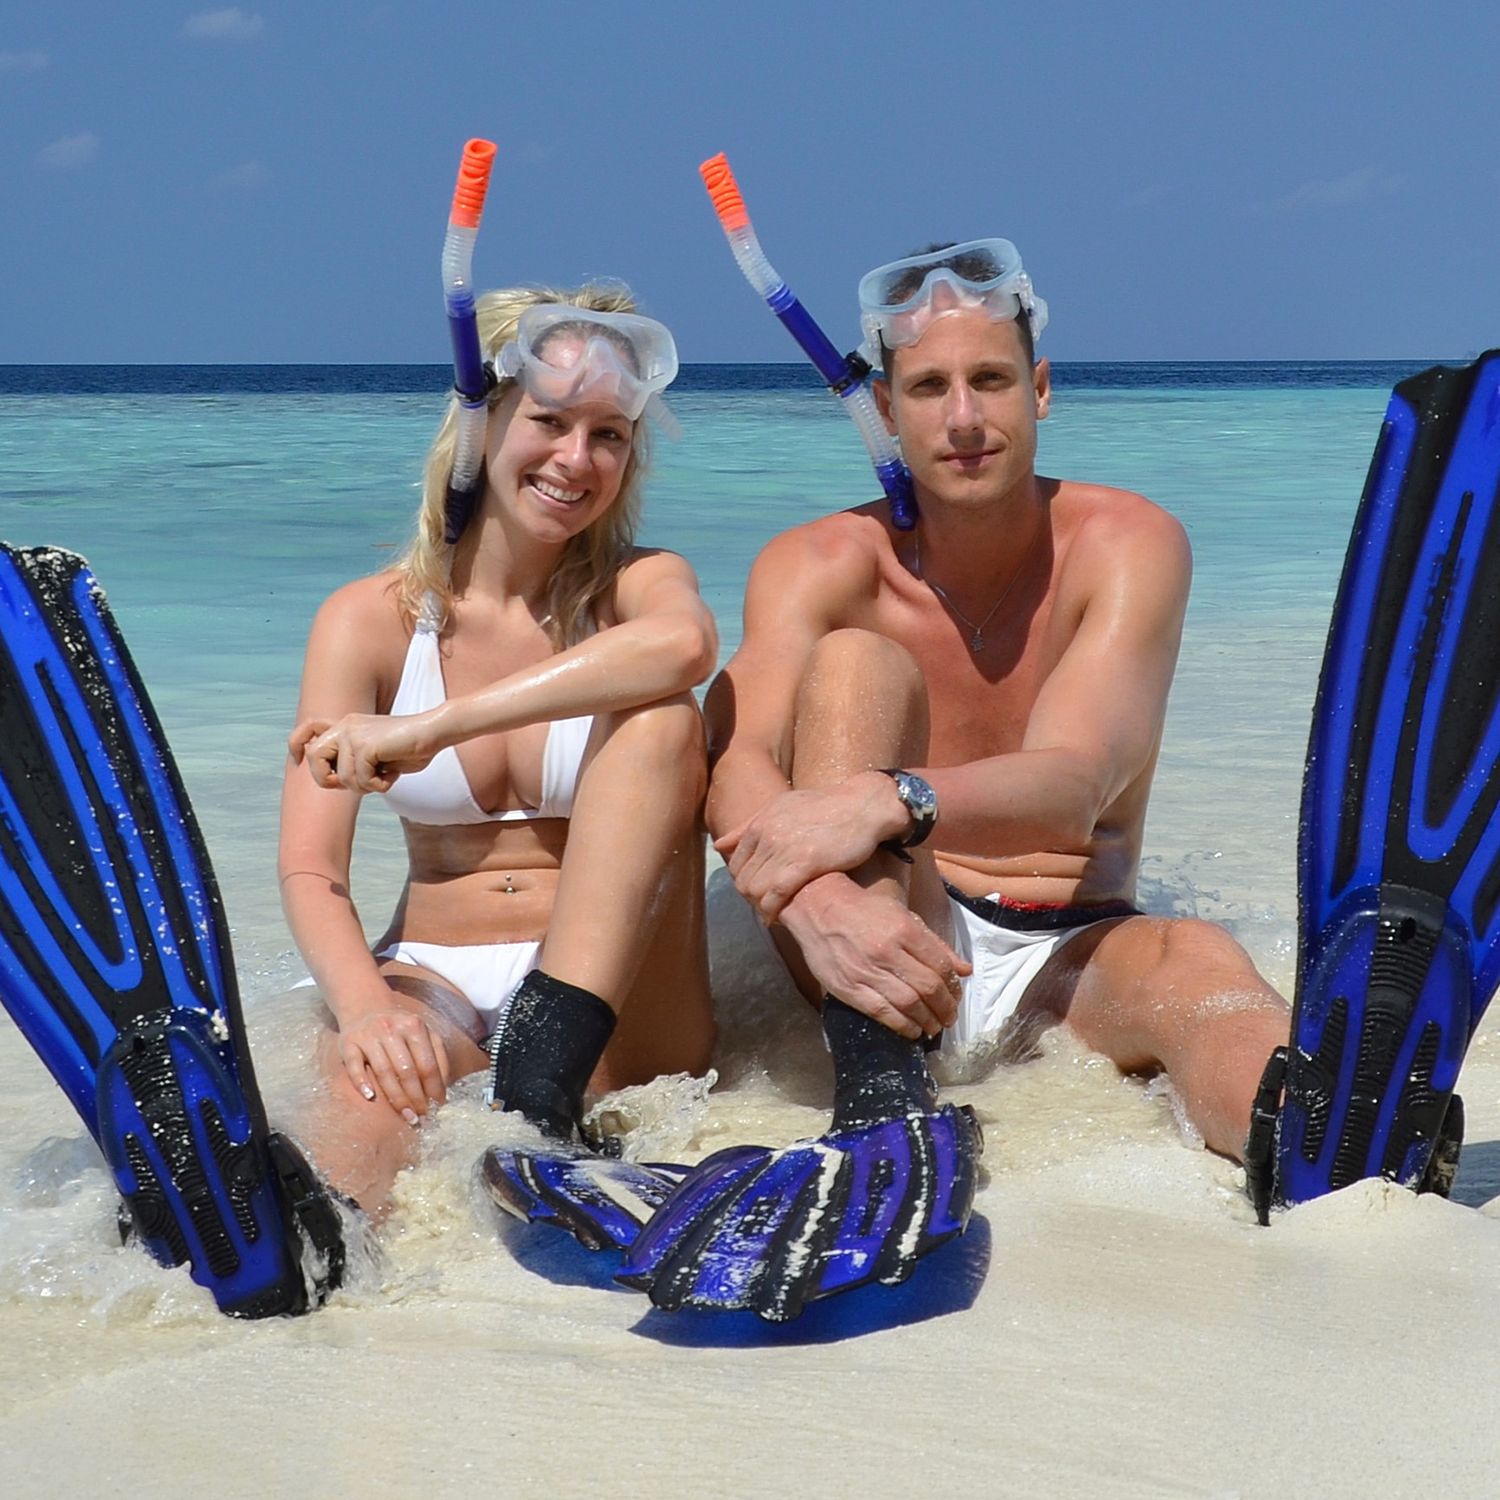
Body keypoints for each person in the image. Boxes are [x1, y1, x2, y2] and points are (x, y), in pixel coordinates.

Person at [705, 239, 1290, 1164]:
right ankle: (878, 1097)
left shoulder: (1126, 543)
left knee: (1201, 965)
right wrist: (817, 904)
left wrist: (885, 798)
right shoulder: (817, 567)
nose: (966, 417)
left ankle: (1321, 1151)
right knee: (860, 662)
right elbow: (730, 759)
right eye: (931, 389)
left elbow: (1076, 783)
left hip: (1070, 950)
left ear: (1041, 389)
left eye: (992, 379)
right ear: (887, 409)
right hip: (877, 925)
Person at [279, 284, 718, 1214]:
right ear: (482, 425)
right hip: (437, 971)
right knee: (368, 1107)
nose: (576, 459)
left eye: (609, 434)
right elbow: (311, 868)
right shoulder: (369, 623)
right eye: (550, 421)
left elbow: (684, 649)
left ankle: (544, 1088)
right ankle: (308, 1265)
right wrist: (366, 1009)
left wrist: (429, 727)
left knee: (663, 713)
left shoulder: (638, 589)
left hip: (620, 1003)